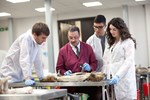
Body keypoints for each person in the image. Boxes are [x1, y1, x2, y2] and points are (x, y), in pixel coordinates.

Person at [56, 26, 102, 100]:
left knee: (97, 93)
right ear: (68, 37)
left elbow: (94, 62)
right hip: (70, 85)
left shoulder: (88, 48)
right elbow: (59, 67)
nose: (73, 40)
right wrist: (64, 72)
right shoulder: (63, 51)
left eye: (75, 37)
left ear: (79, 36)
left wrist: (90, 67)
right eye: (71, 38)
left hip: (86, 83)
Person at [102, 17, 137, 100]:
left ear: (120, 29)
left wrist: (118, 76)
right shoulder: (112, 43)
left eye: (114, 29)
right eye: (110, 29)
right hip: (113, 79)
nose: (112, 32)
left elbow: (128, 61)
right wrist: (104, 74)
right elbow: (107, 61)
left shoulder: (128, 42)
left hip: (125, 80)